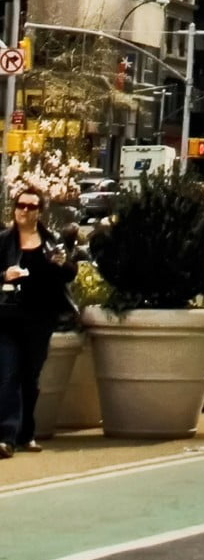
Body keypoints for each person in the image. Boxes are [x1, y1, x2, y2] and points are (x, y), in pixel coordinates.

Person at [0, 191, 78, 457]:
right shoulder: (4, 241)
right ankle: (7, 437)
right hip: (7, 318)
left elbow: (70, 273)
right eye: (20, 205)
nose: (25, 210)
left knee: (30, 377)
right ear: (14, 209)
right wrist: (4, 274)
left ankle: (26, 434)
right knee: (8, 374)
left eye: (31, 206)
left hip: (40, 318)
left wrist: (61, 263)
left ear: (39, 212)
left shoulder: (51, 241)